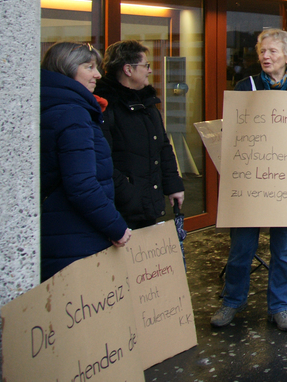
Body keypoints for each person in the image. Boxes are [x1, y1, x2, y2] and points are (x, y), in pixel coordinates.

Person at [212, 29, 287, 332]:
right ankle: (232, 302)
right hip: (251, 183)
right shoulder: (246, 87)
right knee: (241, 249)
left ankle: (279, 307)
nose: (266, 57)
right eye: (262, 52)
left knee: (283, 252)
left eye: (272, 51)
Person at [40, 42, 131, 280]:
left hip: (62, 230)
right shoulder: (73, 113)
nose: (97, 75)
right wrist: (115, 226)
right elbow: (81, 184)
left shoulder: (58, 105)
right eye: (89, 67)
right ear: (67, 69)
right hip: (75, 236)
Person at [95, 40, 185, 230]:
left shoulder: (147, 103)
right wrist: (130, 195)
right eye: (146, 66)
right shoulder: (105, 106)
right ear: (128, 69)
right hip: (120, 211)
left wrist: (173, 185)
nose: (149, 71)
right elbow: (102, 161)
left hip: (147, 205)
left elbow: (163, 146)